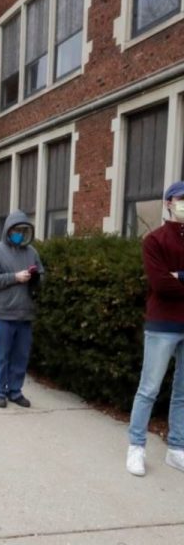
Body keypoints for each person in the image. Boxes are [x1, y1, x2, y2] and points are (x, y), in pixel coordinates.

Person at [126, 181, 184, 477]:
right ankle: (136, 447)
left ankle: (177, 448)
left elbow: (172, 282)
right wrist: (172, 278)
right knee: (149, 389)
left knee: (182, 392)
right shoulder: (155, 240)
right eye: (181, 198)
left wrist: (179, 276)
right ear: (168, 203)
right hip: (162, 324)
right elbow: (161, 284)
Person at [0, 210, 43, 409]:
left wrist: (36, 278)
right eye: (16, 230)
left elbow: (41, 275)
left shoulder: (31, 252)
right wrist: (14, 277)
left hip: (25, 314)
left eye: (23, 230)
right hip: (3, 314)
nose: (19, 233)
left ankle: (15, 390)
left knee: (20, 356)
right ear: (8, 230)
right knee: (2, 355)